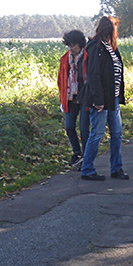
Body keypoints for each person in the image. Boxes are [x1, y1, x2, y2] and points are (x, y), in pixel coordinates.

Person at [79, 16, 129, 181]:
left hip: (112, 98)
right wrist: (98, 100)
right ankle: (86, 169)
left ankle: (116, 168)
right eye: (116, 27)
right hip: (101, 100)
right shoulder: (96, 47)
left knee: (117, 133)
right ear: (111, 29)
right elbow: (93, 75)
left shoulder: (111, 47)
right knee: (97, 133)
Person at [58, 29, 89, 167]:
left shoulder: (88, 57)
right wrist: (62, 98)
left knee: (84, 129)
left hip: (85, 97)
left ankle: (87, 157)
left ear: (80, 44)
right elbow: (60, 80)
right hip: (70, 98)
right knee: (69, 126)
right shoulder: (65, 59)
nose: (71, 49)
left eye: (74, 46)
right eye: (69, 46)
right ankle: (77, 153)